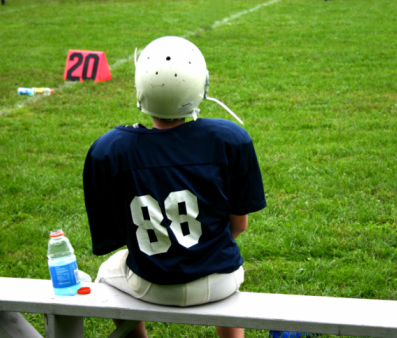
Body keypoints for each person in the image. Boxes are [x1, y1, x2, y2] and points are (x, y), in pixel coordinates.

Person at [83, 36, 266, 338]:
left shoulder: (110, 150)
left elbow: (120, 236)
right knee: (224, 263)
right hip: (221, 280)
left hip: (155, 284)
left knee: (106, 274)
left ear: (141, 88)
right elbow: (239, 225)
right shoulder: (229, 139)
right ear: (200, 86)